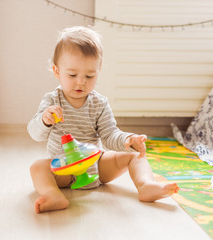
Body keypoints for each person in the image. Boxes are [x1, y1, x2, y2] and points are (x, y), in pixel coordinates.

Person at [27, 26, 179, 214]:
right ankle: (53, 195)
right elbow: (35, 134)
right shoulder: (51, 101)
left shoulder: (99, 103)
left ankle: (146, 185)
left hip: (96, 165)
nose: (81, 82)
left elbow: (109, 135)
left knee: (135, 156)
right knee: (37, 167)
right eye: (72, 75)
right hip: (64, 169)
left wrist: (127, 139)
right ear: (57, 71)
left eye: (89, 75)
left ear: (98, 72)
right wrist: (44, 119)